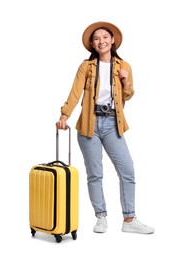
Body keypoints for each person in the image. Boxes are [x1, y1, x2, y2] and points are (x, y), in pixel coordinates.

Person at [56, 21, 154, 234]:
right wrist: (64, 115)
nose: (101, 41)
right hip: (88, 124)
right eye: (96, 38)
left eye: (105, 37)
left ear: (113, 41)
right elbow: (75, 93)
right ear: (92, 44)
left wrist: (125, 82)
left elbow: (129, 95)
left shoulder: (124, 66)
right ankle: (101, 217)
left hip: (112, 124)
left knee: (127, 170)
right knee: (95, 174)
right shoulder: (86, 66)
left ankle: (129, 219)